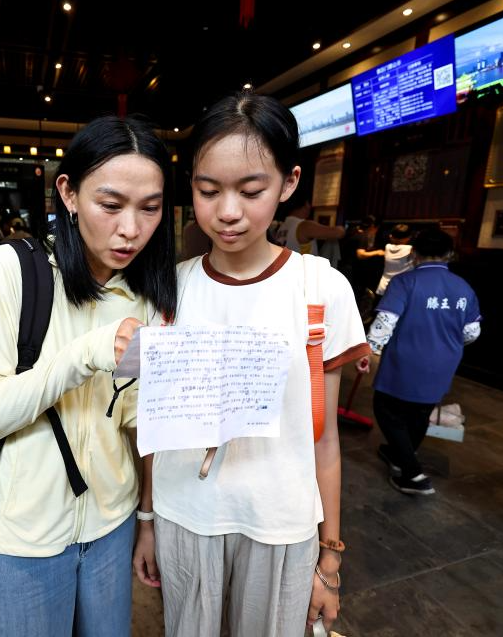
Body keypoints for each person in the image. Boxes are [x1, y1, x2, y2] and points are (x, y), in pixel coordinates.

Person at [133, 92, 369, 637]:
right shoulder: (169, 290)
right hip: (184, 515)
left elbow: (324, 439)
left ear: (288, 183)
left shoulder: (319, 287)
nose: (228, 211)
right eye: (208, 190)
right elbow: (154, 425)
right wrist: (146, 521)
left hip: (281, 522)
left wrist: (330, 558)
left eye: (251, 190)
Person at [0, 115, 177, 636]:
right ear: (68, 193)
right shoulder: (16, 270)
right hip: (22, 538)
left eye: (150, 208)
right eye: (111, 205)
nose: (131, 229)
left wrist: (146, 520)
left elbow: (140, 425)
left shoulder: (146, 297)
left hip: (113, 527)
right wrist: (88, 352)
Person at [360, 227, 481, 496]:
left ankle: (413, 474)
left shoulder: (404, 282)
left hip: (406, 360)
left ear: (414, 253)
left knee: (387, 409)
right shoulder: (463, 287)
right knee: (420, 412)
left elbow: (385, 321)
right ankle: (399, 454)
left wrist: (369, 350)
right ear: (449, 254)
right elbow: (472, 332)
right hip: (445, 361)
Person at [273, 195, 344, 258]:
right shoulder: (304, 225)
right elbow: (339, 233)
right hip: (302, 268)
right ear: (306, 204)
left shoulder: (282, 226)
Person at [374, 223, 414, 296]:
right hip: (402, 289)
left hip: (384, 288)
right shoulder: (411, 250)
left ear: (391, 236)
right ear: (409, 237)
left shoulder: (387, 247)